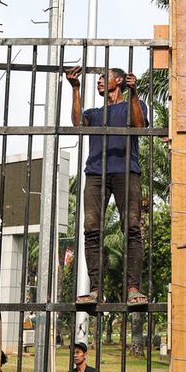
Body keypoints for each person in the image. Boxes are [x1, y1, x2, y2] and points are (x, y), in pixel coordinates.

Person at [65, 66, 149, 305]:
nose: (100, 81)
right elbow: (78, 123)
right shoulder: (95, 112)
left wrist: (134, 93)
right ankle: (96, 290)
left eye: (104, 77)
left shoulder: (133, 104)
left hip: (126, 171)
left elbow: (140, 126)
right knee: (92, 230)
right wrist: (76, 88)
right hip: (96, 173)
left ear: (119, 80)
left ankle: (133, 288)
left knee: (132, 227)